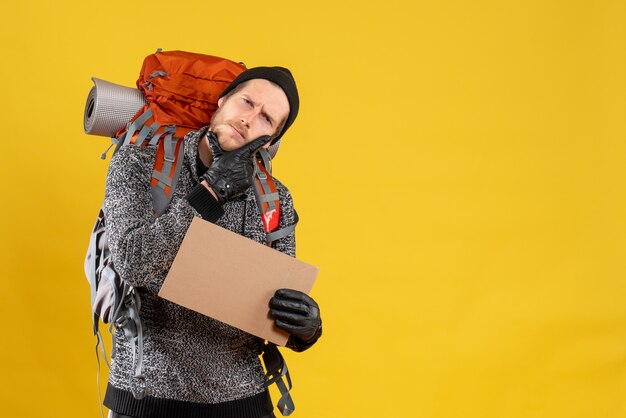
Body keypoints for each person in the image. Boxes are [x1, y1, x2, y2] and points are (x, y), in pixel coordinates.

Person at [102, 66, 322, 418]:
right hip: (145, 397)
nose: (250, 119)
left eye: (267, 118)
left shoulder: (275, 198)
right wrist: (210, 193)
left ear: (270, 140)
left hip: (243, 400)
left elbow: (273, 302)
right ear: (222, 101)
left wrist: (304, 330)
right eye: (246, 102)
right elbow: (132, 263)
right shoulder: (139, 164)